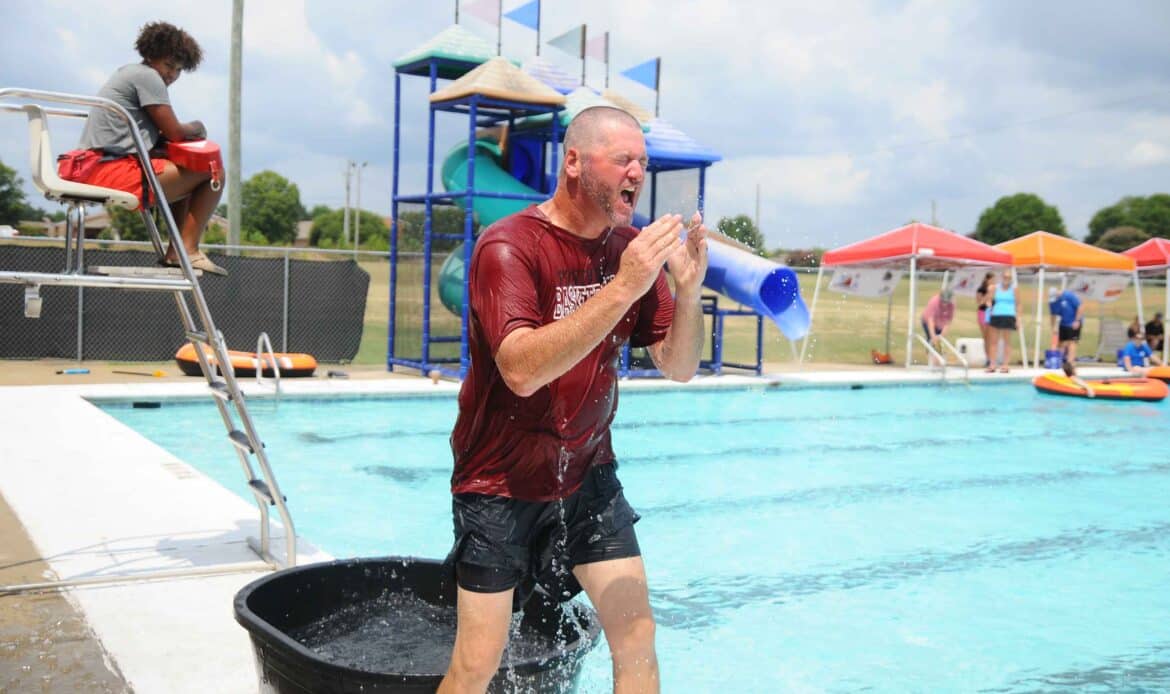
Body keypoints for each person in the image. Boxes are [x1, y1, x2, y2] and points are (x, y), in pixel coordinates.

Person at [439, 106, 708, 694]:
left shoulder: (629, 250)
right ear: (574, 163)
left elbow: (679, 366)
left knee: (637, 638)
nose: (637, 172)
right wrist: (625, 286)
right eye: (622, 159)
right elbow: (520, 370)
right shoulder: (508, 246)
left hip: (589, 475)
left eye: (642, 161)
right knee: (477, 662)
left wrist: (687, 294)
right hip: (500, 482)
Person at [59, 21, 226, 275]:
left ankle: (178, 252)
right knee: (214, 172)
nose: (172, 75)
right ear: (151, 55)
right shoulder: (148, 77)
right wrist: (198, 127)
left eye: (178, 70)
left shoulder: (130, 73)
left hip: (97, 166)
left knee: (187, 168)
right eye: (168, 65)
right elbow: (175, 132)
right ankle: (188, 250)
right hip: (107, 170)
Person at [985, 269, 1020, 373]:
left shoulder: (1014, 289)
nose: (1006, 279)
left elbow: (1018, 304)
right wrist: (989, 305)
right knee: (993, 342)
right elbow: (988, 300)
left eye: (1008, 277)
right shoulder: (995, 288)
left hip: (1009, 316)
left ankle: (1005, 365)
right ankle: (992, 364)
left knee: (1007, 341)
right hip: (996, 315)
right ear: (1001, 277)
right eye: (1005, 277)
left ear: (1011, 279)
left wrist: (1018, 319)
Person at [1048, 287, 1084, 362]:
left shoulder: (1069, 296)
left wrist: (1077, 320)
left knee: (1072, 342)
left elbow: (1080, 307)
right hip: (1063, 323)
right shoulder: (1052, 303)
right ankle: (1059, 361)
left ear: (1058, 293)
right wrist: (1053, 327)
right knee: (1061, 343)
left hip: (1073, 322)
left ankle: (1070, 362)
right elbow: (1053, 315)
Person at [920, 288, 955, 366]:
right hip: (927, 321)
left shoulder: (952, 304)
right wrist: (933, 336)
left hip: (940, 323)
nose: (945, 304)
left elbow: (948, 321)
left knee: (938, 342)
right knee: (931, 339)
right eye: (943, 301)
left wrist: (941, 335)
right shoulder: (934, 302)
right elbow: (930, 320)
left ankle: (937, 360)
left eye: (947, 302)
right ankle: (931, 359)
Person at [975, 271, 995, 367]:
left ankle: (992, 358)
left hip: (992, 313)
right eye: (991, 279)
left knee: (991, 337)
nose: (993, 281)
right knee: (986, 337)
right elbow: (979, 302)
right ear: (987, 279)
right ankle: (988, 358)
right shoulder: (981, 289)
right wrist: (988, 294)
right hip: (983, 312)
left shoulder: (995, 290)